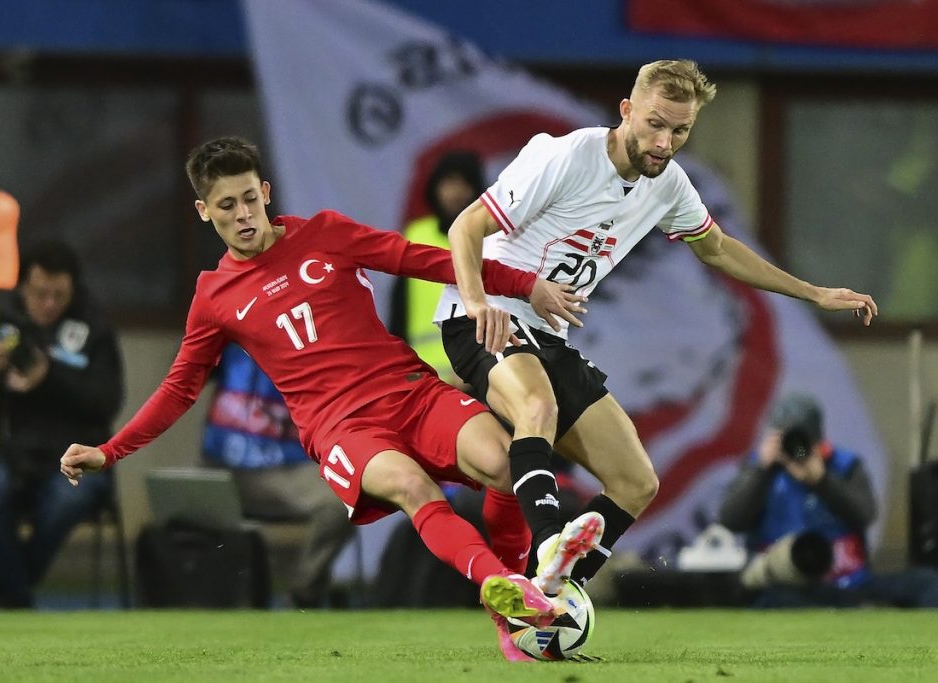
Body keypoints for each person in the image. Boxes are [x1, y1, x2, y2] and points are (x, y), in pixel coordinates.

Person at [57, 136, 599, 661]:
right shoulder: (213, 298)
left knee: (505, 464)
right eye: (227, 205)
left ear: (266, 191)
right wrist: (111, 451)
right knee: (412, 486)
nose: (244, 214)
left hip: (407, 390)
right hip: (341, 429)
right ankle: (497, 583)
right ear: (205, 212)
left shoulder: (326, 234)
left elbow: (423, 259)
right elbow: (180, 388)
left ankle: (514, 604)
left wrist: (524, 285)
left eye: (250, 198)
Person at [435, 59, 879, 591]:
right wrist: (478, 300)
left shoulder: (666, 184)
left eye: (680, 130)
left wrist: (813, 293)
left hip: (547, 335)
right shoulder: (565, 155)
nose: (665, 142)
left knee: (636, 482)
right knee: (539, 407)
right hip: (483, 318)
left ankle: (546, 596)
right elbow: (467, 227)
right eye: (655, 123)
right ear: (627, 111)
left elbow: (716, 248)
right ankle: (551, 538)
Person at [0, 241, 125, 608]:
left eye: (59, 295)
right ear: (23, 286)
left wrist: (50, 377)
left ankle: (8, 593)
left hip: (72, 464)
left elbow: (107, 403)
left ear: (73, 289)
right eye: (40, 293)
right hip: (10, 459)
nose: (49, 304)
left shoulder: (93, 328)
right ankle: (17, 596)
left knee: (69, 498)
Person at [718, 393, 938, 608]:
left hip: (849, 581)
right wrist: (761, 472)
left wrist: (822, 481)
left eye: (802, 440)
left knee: (927, 583)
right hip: (786, 585)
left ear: (818, 439)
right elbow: (730, 520)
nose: (796, 449)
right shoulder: (759, 469)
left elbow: (865, 515)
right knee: (779, 601)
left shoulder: (844, 465)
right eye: (787, 439)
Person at [202, 342, 355, 608]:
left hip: (286, 467)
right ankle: (199, 601)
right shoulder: (225, 326)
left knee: (343, 501)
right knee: (173, 501)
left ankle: (303, 595)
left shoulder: (316, 336)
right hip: (220, 467)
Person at [389, 150, 485, 385]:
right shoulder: (415, 235)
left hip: (477, 376)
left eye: (464, 183)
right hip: (423, 378)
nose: (455, 192)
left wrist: (477, 365)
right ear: (435, 187)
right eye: (449, 182)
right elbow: (398, 310)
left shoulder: (488, 240)